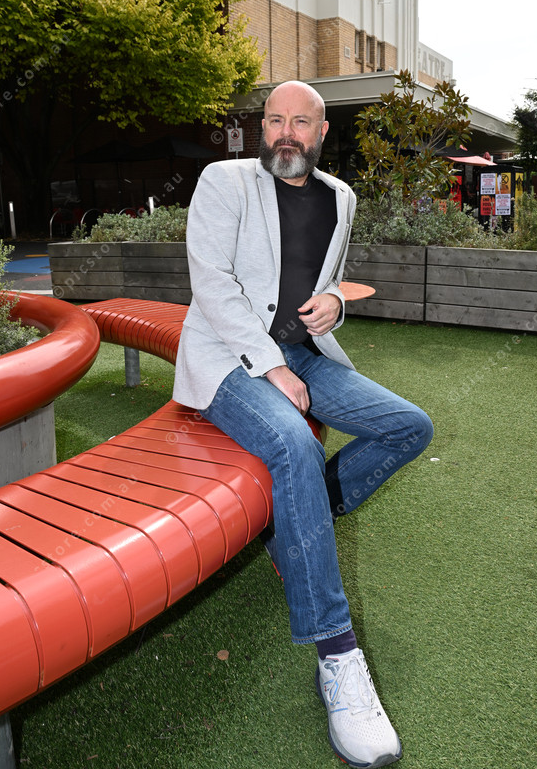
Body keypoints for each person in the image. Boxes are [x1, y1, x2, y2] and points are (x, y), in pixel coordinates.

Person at [173, 80, 434, 768]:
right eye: (274, 120)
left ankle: (297, 525)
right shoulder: (224, 181)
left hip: (305, 354)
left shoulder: (341, 196)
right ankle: (338, 656)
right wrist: (270, 366)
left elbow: (332, 280)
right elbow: (212, 283)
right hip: (229, 359)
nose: (285, 133)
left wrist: (334, 305)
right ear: (263, 127)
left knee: (410, 427)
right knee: (295, 445)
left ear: (321, 133)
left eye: (300, 122)